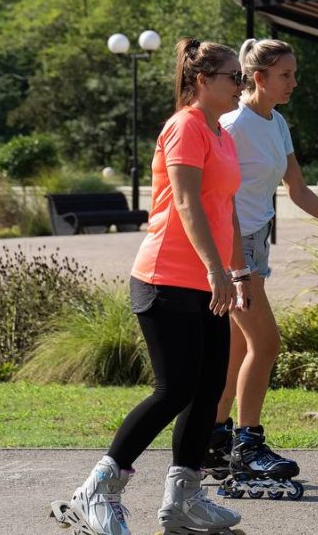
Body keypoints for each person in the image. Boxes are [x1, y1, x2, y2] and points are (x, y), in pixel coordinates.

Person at [50, 38, 248, 535]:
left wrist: (235, 272)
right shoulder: (184, 128)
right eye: (233, 78)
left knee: (207, 393)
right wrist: (214, 269)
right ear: (203, 80)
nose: (241, 87)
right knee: (175, 390)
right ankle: (94, 491)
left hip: (208, 282)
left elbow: (225, 209)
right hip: (167, 278)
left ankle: (183, 501)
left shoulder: (219, 132)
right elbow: (186, 204)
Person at [203, 38, 318, 498]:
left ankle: (214, 438)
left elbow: (295, 188)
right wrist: (228, 263)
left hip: (256, 243)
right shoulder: (231, 125)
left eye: (294, 74)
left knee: (238, 349)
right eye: (286, 75)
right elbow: (213, 193)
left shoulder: (277, 123)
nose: (294, 82)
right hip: (235, 246)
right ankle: (247, 445)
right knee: (267, 343)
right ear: (259, 77)